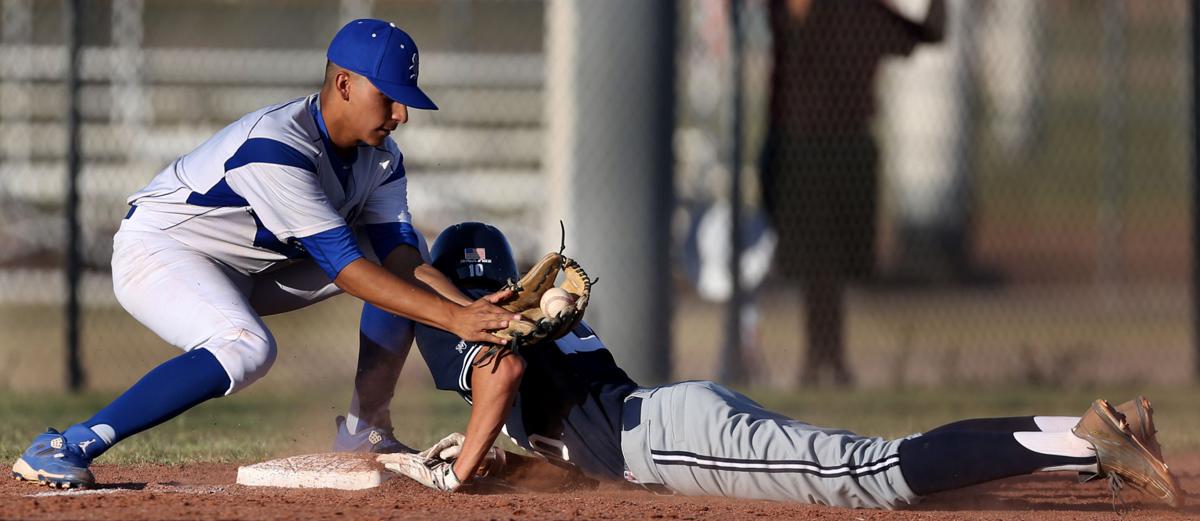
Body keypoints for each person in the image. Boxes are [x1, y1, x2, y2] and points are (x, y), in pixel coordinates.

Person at [10, 19, 521, 489]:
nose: (401, 114)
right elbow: (347, 271)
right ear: (344, 84)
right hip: (162, 251)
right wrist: (456, 319)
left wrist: (479, 315)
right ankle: (69, 443)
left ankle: (366, 430)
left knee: (398, 257)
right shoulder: (277, 148)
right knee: (246, 347)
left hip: (252, 267)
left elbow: (403, 260)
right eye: (389, 97)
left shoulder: (381, 157)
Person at [385, 221, 1183, 509]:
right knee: (871, 462)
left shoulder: (483, 328)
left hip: (663, 435)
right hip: (669, 420)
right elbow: (571, 450)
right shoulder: (521, 316)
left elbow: (503, 376)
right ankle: (1079, 431)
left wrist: (463, 472)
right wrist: (503, 462)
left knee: (874, 473)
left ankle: (1086, 440)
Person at [761, 0, 945, 386]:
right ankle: (821, 358)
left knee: (833, 262)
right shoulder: (791, 11)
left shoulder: (860, 12)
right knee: (814, 260)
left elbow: (926, 35)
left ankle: (827, 358)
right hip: (798, 144)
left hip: (848, 144)